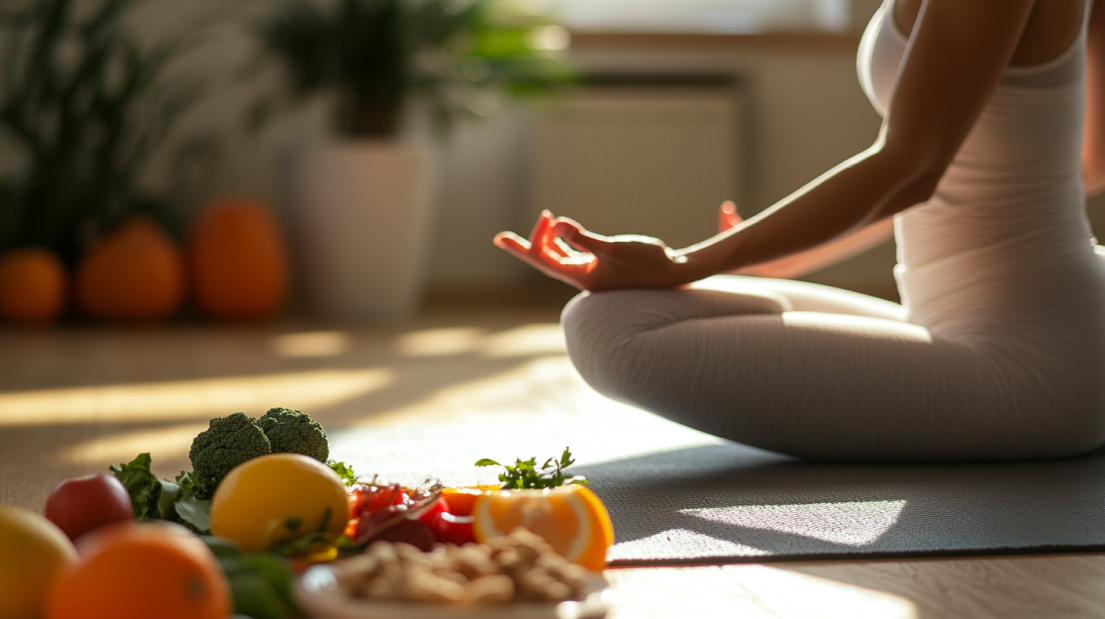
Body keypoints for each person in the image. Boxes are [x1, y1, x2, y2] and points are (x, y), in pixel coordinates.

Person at [494, 0, 1105, 461]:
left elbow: (912, 167)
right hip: (1010, 328)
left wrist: (686, 263)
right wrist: (781, 259)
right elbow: (1081, 164)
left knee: (609, 333)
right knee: (611, 314)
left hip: (1034, 364)